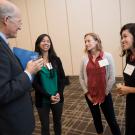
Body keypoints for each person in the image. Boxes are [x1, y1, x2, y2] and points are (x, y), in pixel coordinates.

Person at [0, 0, 43, 135]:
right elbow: (2, 92)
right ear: (6, 19)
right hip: (11, 125)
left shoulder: (4, 44)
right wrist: (28, 73)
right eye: (19, 22)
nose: (20, 27)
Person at [79, 33, 121, 135]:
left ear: (96, 41)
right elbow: (81, 77)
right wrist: (87, 93)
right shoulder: (84, 58)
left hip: (105, 94)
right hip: (90, 95)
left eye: (89, 41)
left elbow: (112, 77)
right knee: (96, 118)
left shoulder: (107, 56)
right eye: (85, 41)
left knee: (111, 120)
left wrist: (105, 93)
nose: (86, 43)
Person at [33, 34, 66, 135]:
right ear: (38, 44)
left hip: (57, 97)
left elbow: (62, 78)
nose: (46, 43)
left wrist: (59, 93)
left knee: (57, 123)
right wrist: (48, 96)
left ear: (50, 44)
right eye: (43, 41)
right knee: (45, 126)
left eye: (48, 41)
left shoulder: (56, 60)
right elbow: (35, 84)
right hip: (42, 99)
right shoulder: (34, 61)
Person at [116, 23, 135, 135]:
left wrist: (128, 89)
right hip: (131, 102)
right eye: (121, 37)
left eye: (125, 36)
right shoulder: (129, 56)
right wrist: (124, 87)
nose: (122, 40)